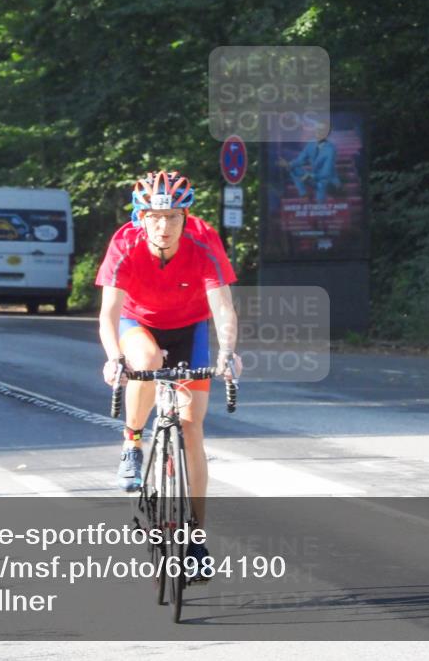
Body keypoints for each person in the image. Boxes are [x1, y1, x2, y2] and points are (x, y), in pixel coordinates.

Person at [95, 170, 242, 580]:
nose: (164, 226)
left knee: (192, 428)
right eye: (155, 217)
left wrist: (227, 353)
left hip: (189, 327)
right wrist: (113, 358)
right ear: (141, 217)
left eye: (173, 217)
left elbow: (223, 308)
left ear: (185, 217)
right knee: (144, 362)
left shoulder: (203, 240)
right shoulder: (125, 244)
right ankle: (132, 443)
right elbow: (108, 315)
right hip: (138, 323)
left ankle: (195, 538)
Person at [279, 121, 340, 202]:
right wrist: (288, 164)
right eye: (317, 129)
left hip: (328, 181)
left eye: (322, 130)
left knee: (321, 186)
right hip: (314, 179)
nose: (318, 131)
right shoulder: (311, 144)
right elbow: (300, 160)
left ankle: (320, 203)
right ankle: (304, 194)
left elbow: (326, 172)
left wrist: (310, 176)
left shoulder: (330, 149)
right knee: (292, 168)